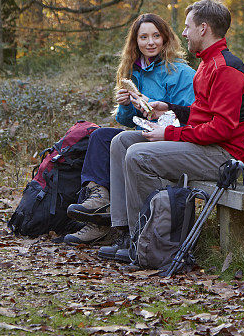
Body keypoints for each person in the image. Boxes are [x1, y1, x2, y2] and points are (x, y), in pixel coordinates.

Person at [98, 0, 244, 263]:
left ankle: (150, 239)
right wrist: (167, 108)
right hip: (205, 145)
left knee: (138, 155)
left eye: (187, 26)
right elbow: (202, 115)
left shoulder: (226, 68)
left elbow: (222, 129)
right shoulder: (207, 63)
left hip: (224, 155)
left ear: (203, 28)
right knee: (122, 142)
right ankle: (126, 231)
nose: (183, 33)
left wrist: (169, 134)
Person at [63, 13, 195, 245]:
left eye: (156, 36)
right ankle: (99, 204)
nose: (150, 42)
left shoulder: (181, 72)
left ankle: (116, 226)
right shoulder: (133, 72)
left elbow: (188, 115)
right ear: (135, 42)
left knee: (121, 142)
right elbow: (127, 122)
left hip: (169, 139)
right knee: (101, 136)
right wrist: (125, 105)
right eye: (143, 37)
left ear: (165, 39)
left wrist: (154, 108)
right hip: (143, 133)